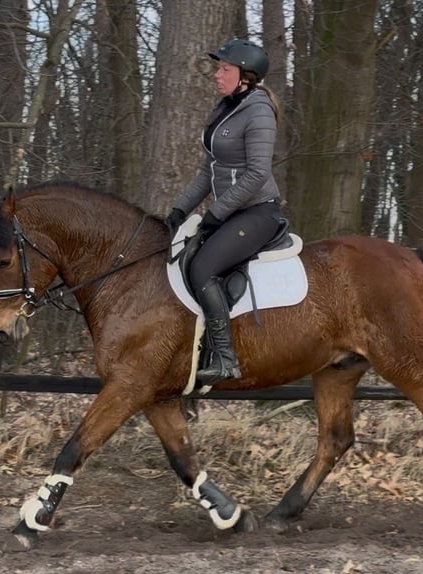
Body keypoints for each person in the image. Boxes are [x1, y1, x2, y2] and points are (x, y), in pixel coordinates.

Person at [165, 38, 283, 385]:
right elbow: (209, 169)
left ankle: (226, 359)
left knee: (203, 268)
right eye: (218, 68)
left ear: (245, 76)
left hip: (257, 213)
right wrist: (180, 208)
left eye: (224, 69)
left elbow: (258, 173)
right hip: (231, 213)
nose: (217, 74)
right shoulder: (226, 107)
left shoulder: (259, 111)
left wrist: (217, 211)